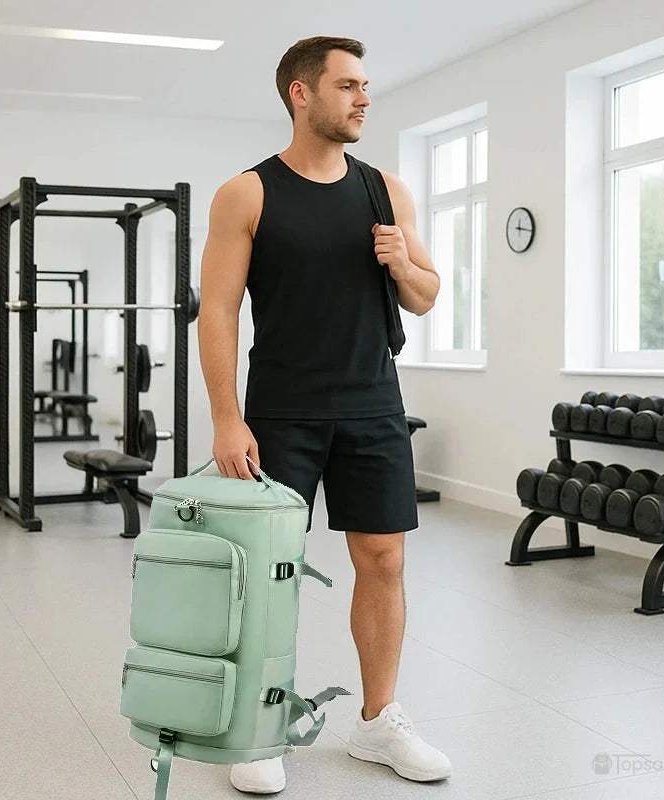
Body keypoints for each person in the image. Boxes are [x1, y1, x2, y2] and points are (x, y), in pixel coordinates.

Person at [198, 35, 449, 794]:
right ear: (301, 94)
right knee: (271, 575)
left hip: (374, 404)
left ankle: (377, 723)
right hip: (281, 412)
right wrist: (225, 419)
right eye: (348, 85)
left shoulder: (385, 191)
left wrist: (401, 260)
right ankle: (259, 726)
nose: (363, 98)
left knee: (385, 560)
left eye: (366, 85)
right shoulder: (247, 193)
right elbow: (216, 312)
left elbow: (428, 293)